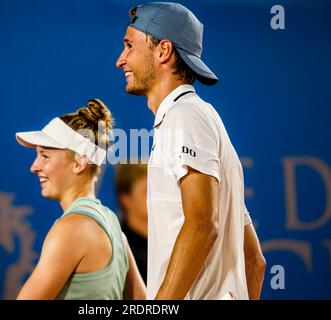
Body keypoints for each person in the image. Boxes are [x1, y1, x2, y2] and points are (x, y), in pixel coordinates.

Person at [116, 3, 266, 300]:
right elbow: (255, 262)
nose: (120, 60)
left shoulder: (185, 116)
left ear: (163, 51)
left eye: (129, 46)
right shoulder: (195, 116)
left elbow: (202, 223)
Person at [15, 99, 146, 300]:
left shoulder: (71, 229)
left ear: (80, 162)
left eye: (45, 155)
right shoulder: (114, 228)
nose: (34, 166)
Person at [114, 163, 148, 283]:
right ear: (126, 198)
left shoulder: (170, 239)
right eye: (147, 191)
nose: (154, 197)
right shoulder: (115, 246)